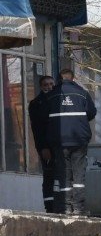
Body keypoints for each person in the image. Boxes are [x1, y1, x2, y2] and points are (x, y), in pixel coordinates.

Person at [45, 68, 97, 216]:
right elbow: (92, 113)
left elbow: (45, 118)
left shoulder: (52, 95)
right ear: (73, 79)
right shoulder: (82, 93)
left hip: (59, 141)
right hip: (79, 139)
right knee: (79, 174)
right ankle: (79, 209)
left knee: (64, 173)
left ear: (59, 79)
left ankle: (66, 207)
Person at [27, 75, 56, 212]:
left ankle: (62, 205)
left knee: (62, 175)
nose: (49, 87)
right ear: (41, 86)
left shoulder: (59, 99)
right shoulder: (36, 103)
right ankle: (49, 207)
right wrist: (43, 147)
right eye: (46, 85)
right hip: (46, 146)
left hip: (60, 144)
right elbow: (37, 128)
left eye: (51, 84)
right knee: (49, 175)